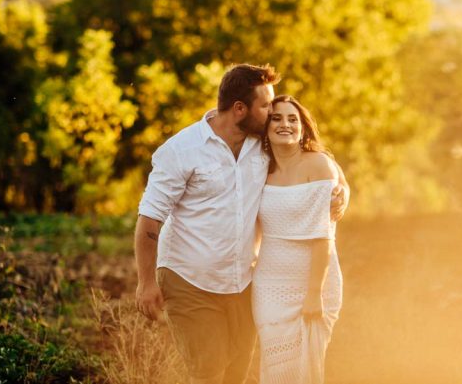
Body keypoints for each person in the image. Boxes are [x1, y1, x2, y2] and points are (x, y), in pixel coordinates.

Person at [134, 64, 349, 384]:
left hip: (243, 281)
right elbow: (150, 218)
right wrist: (146, 282)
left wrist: (343, 191)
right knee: (207, 371)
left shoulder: (261, 144)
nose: (272, 112)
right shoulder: (180, 151)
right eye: (266, 106)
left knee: (237, 372)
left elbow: (316, 164)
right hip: (190, 278)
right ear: (239, 109)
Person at [251, 95, 344, 384]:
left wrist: (313, 293)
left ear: (303, 127)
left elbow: (322, 237)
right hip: (268, 286)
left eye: (293, 119)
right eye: (276, 118)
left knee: (308, 370)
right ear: (265, 127)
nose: (285, 124)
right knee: (275, 368)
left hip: (313, 282)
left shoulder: (318, 165)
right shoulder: (259, 169)